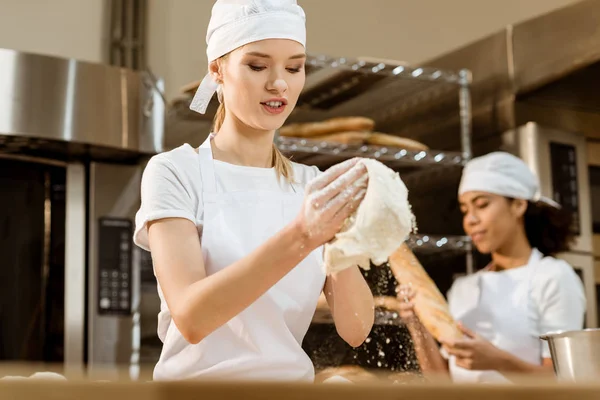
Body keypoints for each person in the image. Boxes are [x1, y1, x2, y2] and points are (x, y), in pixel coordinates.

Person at [133, 0, 374, 382]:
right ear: (217, 72)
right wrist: (303, 236)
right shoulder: (176, 172)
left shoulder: (311, 185)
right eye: (258, 66)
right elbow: (192, 317)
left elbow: (356, 328)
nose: (279, 83)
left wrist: (340, 238)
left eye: (294, 67)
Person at [396, 152, 586, 383]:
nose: (470, 220)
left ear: (517, 205)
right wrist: (417, 324)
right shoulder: (464, 287)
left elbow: (565, 381)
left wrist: (498, 361)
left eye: (482, 205)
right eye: (465, 210)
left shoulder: (552, 277)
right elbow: (443, 384)